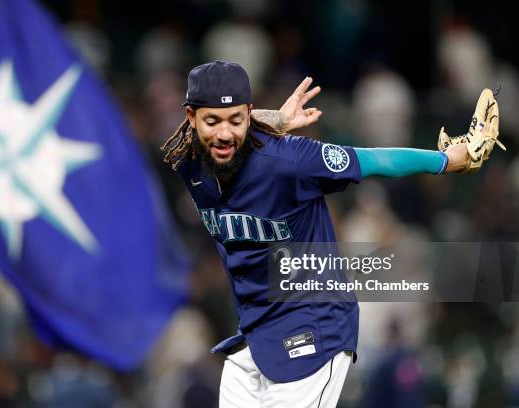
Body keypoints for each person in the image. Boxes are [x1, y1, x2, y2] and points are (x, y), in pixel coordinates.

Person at [161, 60, 502, 407]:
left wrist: (446, 160)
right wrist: (272, 119)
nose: (224, 134)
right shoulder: (188, 161)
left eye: (237, 119)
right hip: (254, 335)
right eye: (212, 121)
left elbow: (374, 160)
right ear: (191, 117)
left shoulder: (288, 160)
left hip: (313, 326)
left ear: (248, 114)